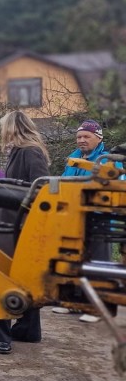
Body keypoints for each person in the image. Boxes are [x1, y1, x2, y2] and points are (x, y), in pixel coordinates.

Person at [0, 111, 49, 352]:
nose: (1, 130)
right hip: (14, 221)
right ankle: (28, 329)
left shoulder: (30, 151)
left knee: (0, 275)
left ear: (13, 128)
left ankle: (2, 336)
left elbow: (41, 187)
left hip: (19, 224)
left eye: (3, 126)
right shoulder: (18, 151)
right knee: (22, 276)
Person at [54, 119, 118, 321]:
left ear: (98, 138)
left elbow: (113, 187)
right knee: (74, 260)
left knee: (98, 263)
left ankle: (96, 308)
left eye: (86, 136)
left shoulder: (107, 160)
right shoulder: (73, 158)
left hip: (99, 219)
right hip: (75, 218)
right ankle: (73, 302)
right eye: (79, 137)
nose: (81, 140)